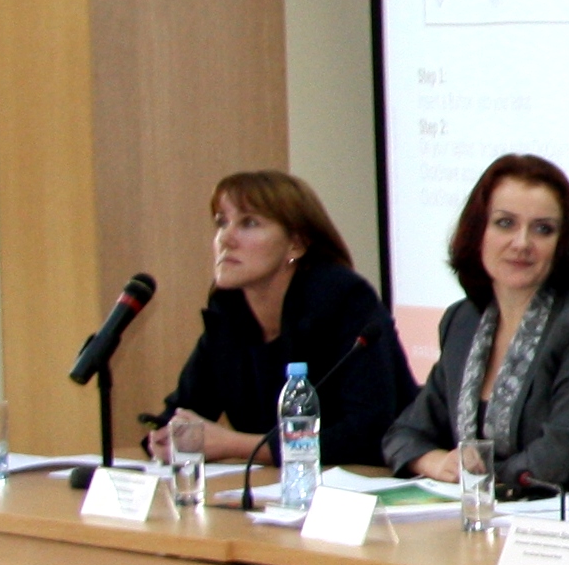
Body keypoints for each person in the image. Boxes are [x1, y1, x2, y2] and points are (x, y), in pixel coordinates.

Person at [383, 154, 569, 494]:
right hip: (509, 519)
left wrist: (474, 478)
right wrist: (437, 462)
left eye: (543, 229)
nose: (522, 243)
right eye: (505, 223)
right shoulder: (464, 321)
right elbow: (403, 435)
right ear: (478, 231)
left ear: (563, 243)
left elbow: (554, 463)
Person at [153, 170, 414, 475]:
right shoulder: (229, 311)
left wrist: (236, 445)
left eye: (249, 223)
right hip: (275, 491)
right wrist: (164, 437)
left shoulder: (343, 300)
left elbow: (368, 432)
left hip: (366, 488)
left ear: (296, 245)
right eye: (222, 222)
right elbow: (185, 410)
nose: (226, 238)